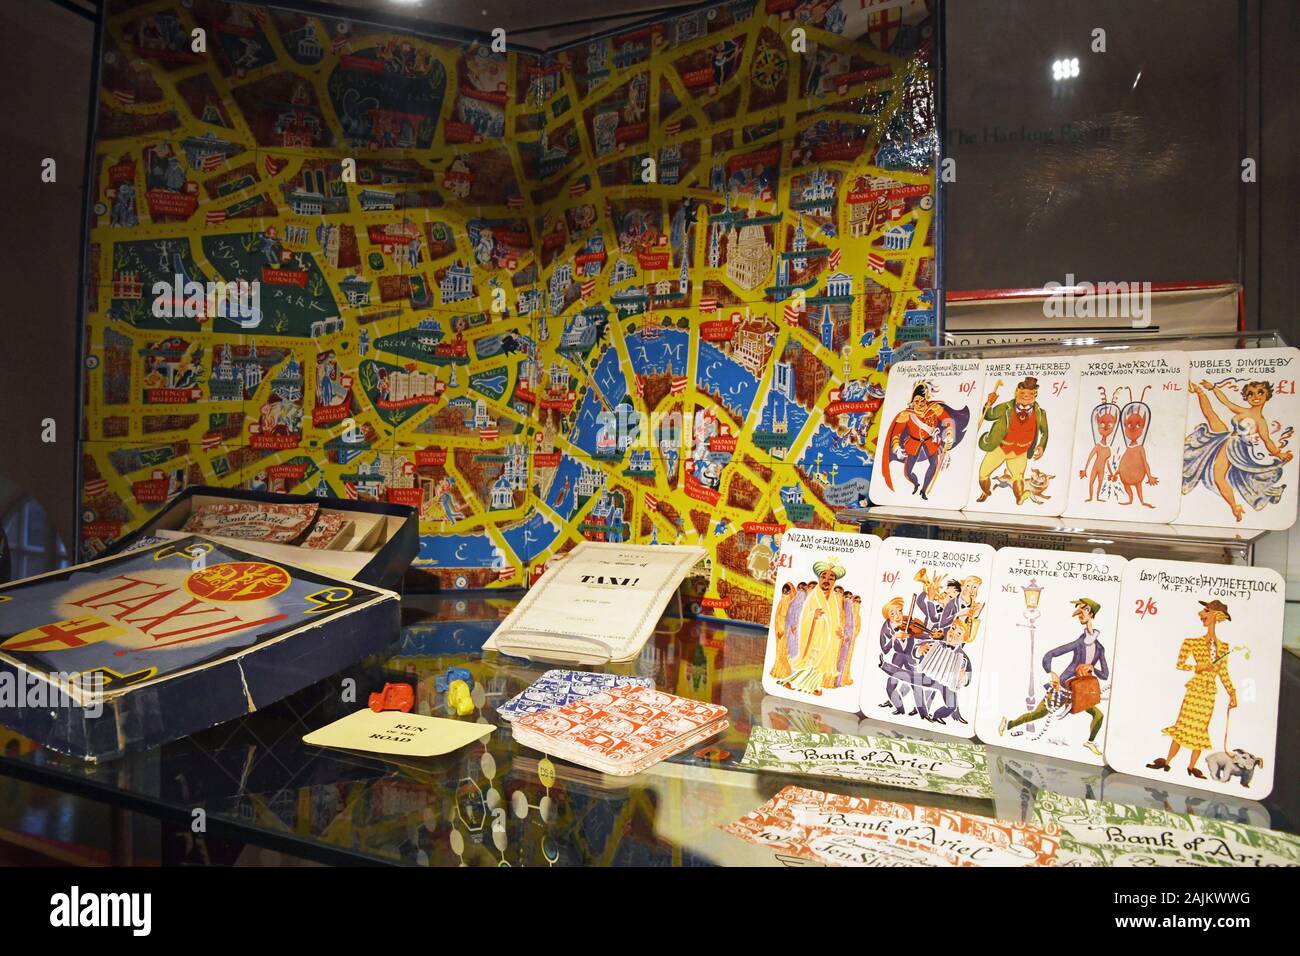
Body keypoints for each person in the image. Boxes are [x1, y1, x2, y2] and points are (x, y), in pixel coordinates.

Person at [999, 598, 1109, 756]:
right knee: (1038, 714)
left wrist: (1093, 668)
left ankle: (1090, 742)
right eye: (1078, 611)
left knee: (1098, 715)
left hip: (1083, 691)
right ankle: (1009, 723)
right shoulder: (1078, 643)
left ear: (1091, 613)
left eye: (1083, 610)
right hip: (1064, 688)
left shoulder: (1100, 649)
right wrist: (1051, 673)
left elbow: (1105, 675)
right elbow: (1049, 655)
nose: (1079, 614)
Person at [1146, 599, 1238, 779]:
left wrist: (1232, 694)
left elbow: (1223, 673)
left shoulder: (1224, 648)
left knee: (1201, 730)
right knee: (1182, 726)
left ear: (1216, 616)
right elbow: (1180, 664)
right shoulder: (1191, 642)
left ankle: (1191, 767)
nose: (1200, 614)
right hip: (1194, 690)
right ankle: (1167, 761)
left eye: (1205, 611)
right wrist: (1197, 667)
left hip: (1209, 694)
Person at [1183, 379, 1291, 522]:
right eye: (1250, 394)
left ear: (1267, 395)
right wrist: (1213, 387)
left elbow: (1267, 441)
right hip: (1228, 436)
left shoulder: (1260, 421)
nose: (1255, 396)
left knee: (1218, 477)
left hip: (1236, 445)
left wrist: (1278, 453)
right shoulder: (1245, 410)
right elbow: (1226, 402)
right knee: (1210, 415)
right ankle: (1199, 392)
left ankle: (1234, 506)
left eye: (1260, 392)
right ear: (1246, 396)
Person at [975, 377, 1048, 505]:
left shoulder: (1040, 413)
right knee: (983, 475)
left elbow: (1045, 432)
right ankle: (985, 492)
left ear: (1035, 395)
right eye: (1022, 393)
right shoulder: (1006, 407)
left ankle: (1020, 496)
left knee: (1018, 477)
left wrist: (1042, 445)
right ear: (1016, 393)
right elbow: (989, 415)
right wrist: (988, 403)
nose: (1026, 396)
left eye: (1030, 394)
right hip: (1001, 447)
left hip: (1020, 451)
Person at [780, 558, 848, 696]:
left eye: (831, 578)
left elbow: (835, 618)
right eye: (823, 576)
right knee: (812, 661)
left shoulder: (834, 599)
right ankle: (792, 683)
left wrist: (839, 630)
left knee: (820, 664)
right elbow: (805, 616)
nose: (826, 580)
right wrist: (813, 616)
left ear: (834, 582)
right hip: (815, 635)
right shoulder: (813, 596)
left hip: (828, 639)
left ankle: (814, 686)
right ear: (818, 578)